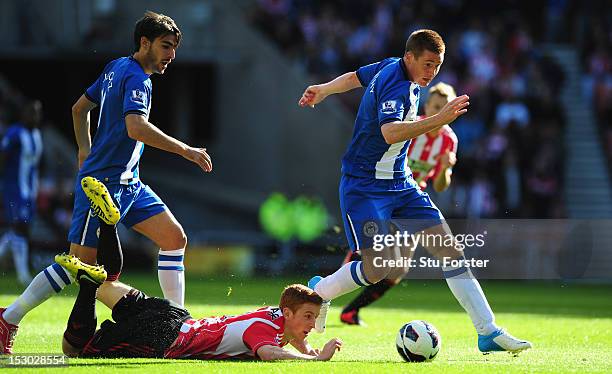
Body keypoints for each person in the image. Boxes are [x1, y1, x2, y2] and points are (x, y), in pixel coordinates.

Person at [298, 29, 531, 354]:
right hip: (364, 185)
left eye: (437, 66)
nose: (431, 72)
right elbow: (390, 132)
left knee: (449, 249)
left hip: (401, 183)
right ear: (410, 57)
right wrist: (439, 119)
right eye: (427, 64)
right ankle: (320, 290)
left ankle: (487, 331)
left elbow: (355, 77)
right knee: (378, 268)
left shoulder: (389, 65)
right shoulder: (396, 83)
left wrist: (323, 89)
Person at [0, 11, 212, 354]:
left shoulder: (117, 66)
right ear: (145, 43)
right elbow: (136, 128)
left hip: (130, 184)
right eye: (166, 46)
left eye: (173, 47)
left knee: (174, 238)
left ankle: (178, 325)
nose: (171, 55)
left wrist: (84, 148)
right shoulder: (138, 78)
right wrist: (185, 150)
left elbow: (78, 108)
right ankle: (9, 317)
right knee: (77, 267)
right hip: (101, 186)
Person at [55, 180, 342, 361]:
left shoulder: (275, 312)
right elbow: (269, 352)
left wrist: (305, 347)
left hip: (175, 316)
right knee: (75, 350)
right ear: (288, 313)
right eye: (308, 317)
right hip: (164, 340)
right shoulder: (264, 330)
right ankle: (91, 277)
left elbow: (293, 333)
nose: (311, 325)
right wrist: (313, 361)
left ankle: (108, 226)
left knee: (106, 283)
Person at [339, 82, 459, 326]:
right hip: (388, 194)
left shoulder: (449, 141)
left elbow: (440, 186)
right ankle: (325, 289)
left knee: (398, 269)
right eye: (436, 107)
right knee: (376, 257)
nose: (440, 113)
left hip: (413, 203)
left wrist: (446, 168)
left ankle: (350, 311)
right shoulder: (414, 128)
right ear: (427, 106)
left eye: (445, 108)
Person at [0, 100, 43, 285]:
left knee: (20, 228)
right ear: (23, 115)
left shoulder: (37, 135)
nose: (35, 116)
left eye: (38, 113)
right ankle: (23, 275)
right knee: (20, 227)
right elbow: (2, 157)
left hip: (30, 190)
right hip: (14, 188)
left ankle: (5, 255)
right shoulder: (15, 133)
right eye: (32, 112)